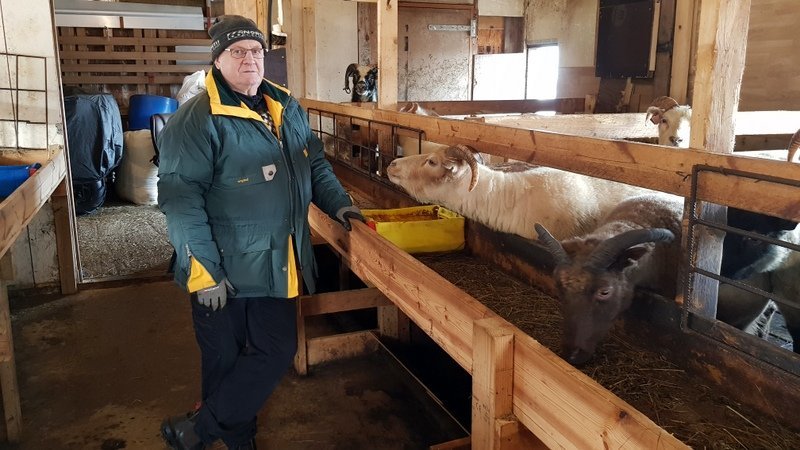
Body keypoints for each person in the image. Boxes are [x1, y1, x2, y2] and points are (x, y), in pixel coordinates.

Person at [156, 15, 364, 450]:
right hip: (224, 267)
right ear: (218, 61)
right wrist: (203, 269)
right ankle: (238, 441)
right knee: (224, 360)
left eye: (256, 51)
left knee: (275, 350)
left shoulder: (286, 107)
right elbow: (180, 199)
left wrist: (340, 205)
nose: (249, 59)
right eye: (237, 51)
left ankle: (198, 430)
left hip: (278, 260)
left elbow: (316, 166)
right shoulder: (197, 120)